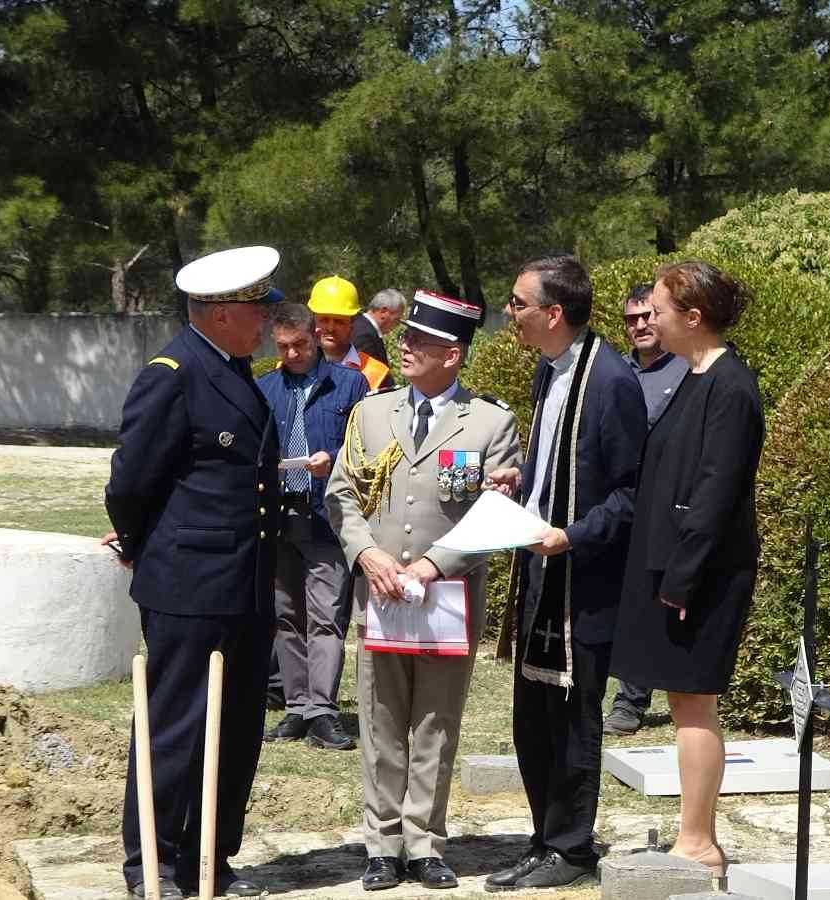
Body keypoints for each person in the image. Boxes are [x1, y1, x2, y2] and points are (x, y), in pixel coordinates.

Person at [101, 245, 284, 899]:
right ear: (220, 313)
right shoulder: (174, 374)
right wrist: (138, 544)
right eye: (257, 308)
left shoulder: (235, 372)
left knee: (236, 726)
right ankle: (152, 864)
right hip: (189, 583)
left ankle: (211, 857)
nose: (267, 320)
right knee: (177, 726)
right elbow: (130, 482)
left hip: (245, 582)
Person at [327, 289, 520, 891]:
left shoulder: (489, 422)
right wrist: (367, 553)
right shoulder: (372, 413)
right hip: (382, 593)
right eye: (405, 336)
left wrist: (436, 564)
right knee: (381, 720)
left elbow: (491, 513)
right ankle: (382, 843)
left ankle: (425, 843)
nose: (404, 347)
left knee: (436, 723)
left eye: (420, 341)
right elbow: (341, 494)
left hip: (447, 599)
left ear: (453, 355)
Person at [482, 255, 647, 891]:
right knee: (533, 717)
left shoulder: (610, 380)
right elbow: (565, 462)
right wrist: (523, 478)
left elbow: (631, 492)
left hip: (583, 580)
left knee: (574, 718)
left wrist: (570, 535)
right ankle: (543, 838)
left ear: (554, 313)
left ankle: (573, 848)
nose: (510, 313)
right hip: (540, 570)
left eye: (519, 303)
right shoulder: (549, 371)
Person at [611, 262, 764, 869]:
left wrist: (682, 576)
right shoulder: (695, 377)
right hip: (676, 565)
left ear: (693, 318)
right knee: (683, 702)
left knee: (694, 701)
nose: (648, 319)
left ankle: (699, 840)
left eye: (658, 310)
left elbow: (714, 492)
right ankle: (694, 834)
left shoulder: (731, 386)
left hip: (702, 574)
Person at [255, 302, 369, 751]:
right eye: (282, 347)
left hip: (326, 517)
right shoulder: (265, 388)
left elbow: (366, 449)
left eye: (299, 345)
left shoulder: (350, 384)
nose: (291, 354)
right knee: (286, 616)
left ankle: (322, 710)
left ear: (316, 337)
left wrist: (333, 459)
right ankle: (297, 706)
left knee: (326, 617)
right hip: (281, 517)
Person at [604, 282, 689, 737]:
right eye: (630, 320)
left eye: (646, 316)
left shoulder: (688, 372)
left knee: (648, 602)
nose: (639, 326)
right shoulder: (616, 373)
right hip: (614, 504)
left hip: (663, 506)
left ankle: (632, 700)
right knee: (614, 599)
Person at [309, 275, 394, 392]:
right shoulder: (293, 367)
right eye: (324, 320)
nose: (330, 328)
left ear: (352, 324)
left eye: (339, 321)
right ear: (313, 321)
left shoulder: (376, 375)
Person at [353, 288, 406, 367]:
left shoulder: (359, 324)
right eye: (397, 319)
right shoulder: (365, 336)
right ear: (383, 311)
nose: (398, 324)